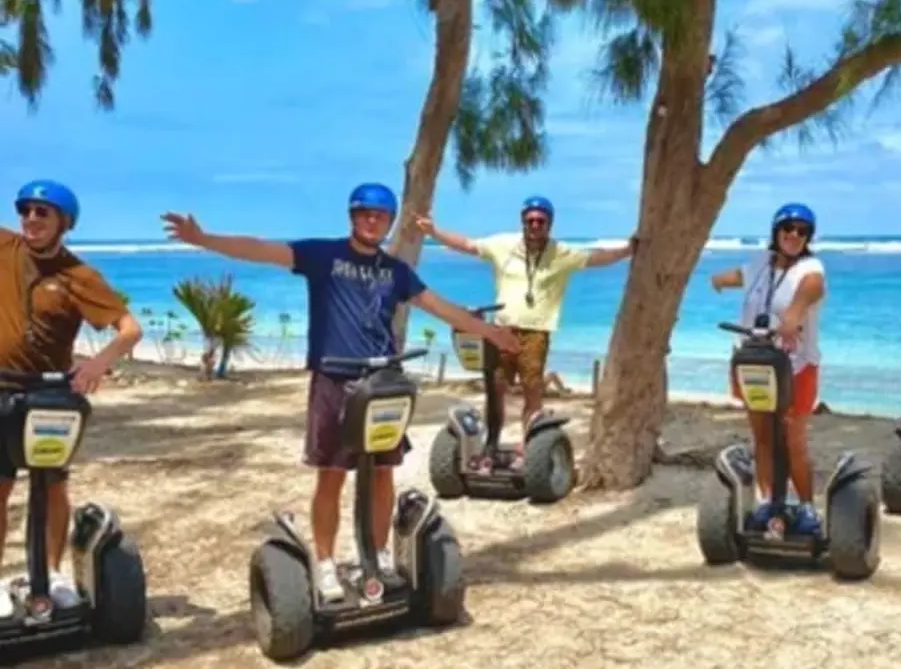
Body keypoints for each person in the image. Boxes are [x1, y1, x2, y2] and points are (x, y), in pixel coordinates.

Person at [161, 183, 520, 604]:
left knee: (384, 472)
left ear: (388, 222)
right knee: (330, 474)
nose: (373, 221)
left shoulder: (396, 271)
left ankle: (381, 555)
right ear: (353, 216)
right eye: (366, 214)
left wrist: (489, 332)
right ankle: (328, 564)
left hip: (383, 384)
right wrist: (203, 240)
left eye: (381, 216)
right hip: (333, 379)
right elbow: (260, 249)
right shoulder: (323, 256)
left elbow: (440, 306)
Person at [0, 180, 143, 619]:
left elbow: (129, 329)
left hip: (50, 395)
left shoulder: (79, 276)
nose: (31, 219)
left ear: (65, 222)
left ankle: (53, 573)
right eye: (26, 210)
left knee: (52, 484)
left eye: (43, 212)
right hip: (1, 387)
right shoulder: (5, 248)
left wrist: (97, 364)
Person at [412, 195, 636, 456]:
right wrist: (434, 231)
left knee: (532, 391)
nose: (535, 225)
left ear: (549, 224)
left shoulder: (560, 253)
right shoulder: (504, 245)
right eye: (530, 220)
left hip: (536, 334)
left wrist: (627, 250)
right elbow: (468, 245)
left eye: (541, 221)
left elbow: (596, 258)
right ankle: (492, 443)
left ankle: (529, 446)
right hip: (501, 331)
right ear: (523, 222)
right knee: (496, 389)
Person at [710, 203, 826, 535]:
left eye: (801, 231)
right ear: (776, 232)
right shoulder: (763, 262)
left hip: (796, 367)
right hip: (755, 362)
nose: (793, 235)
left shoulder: (811, 268)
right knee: (761, 436)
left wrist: (792, 317)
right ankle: (768, 502)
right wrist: (719, 279)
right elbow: (743, 276)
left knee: (792, 438)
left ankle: (805, 506)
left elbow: (813, 288)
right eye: (787, 228)